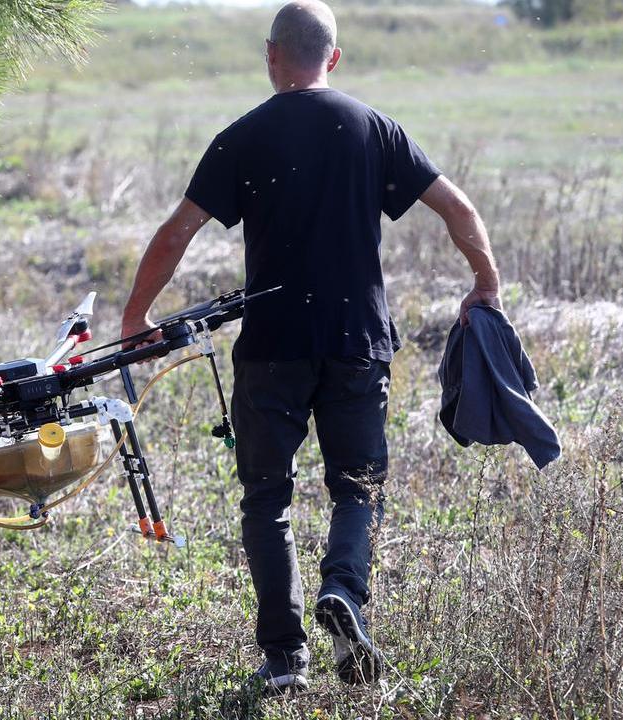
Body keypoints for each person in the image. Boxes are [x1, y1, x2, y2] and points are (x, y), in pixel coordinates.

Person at [118, 1, 500, 695]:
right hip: (357, 344)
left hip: (271, 349)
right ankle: (344, 593)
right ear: (334, 58)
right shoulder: (374, 129)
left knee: (268, 495)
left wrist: (135, 316)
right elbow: (459, 209)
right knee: (358, 485)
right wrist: (486, 283)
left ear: (271, 56)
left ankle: (285, 659)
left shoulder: (244, 136)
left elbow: (178, 231)